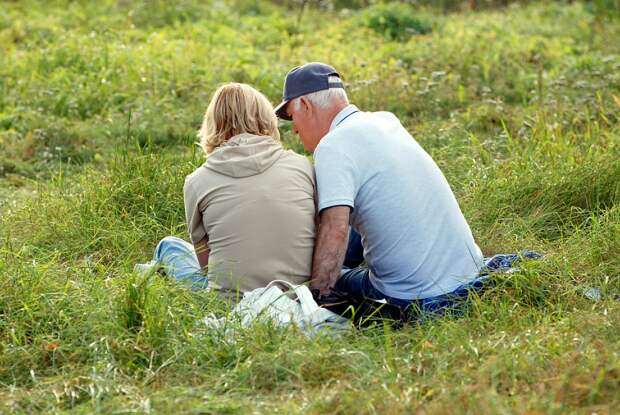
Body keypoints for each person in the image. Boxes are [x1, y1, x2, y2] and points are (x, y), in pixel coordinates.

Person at [274, 62, 485, 316]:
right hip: (469, 273)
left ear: (306, 106)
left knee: (334, 276)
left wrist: (314, 299)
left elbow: (336, 230)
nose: (294, 128)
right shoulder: (386, 121)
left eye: (292, 117)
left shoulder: (332, 146)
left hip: (412, 296)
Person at [139, 83, 316, 300]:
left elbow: (207, 266)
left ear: (212, 124)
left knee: (169, 247)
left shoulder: (197, 181)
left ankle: (145, 283)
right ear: (267, 118)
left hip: (231, 307)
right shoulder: (302, 166)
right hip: (299, 297)